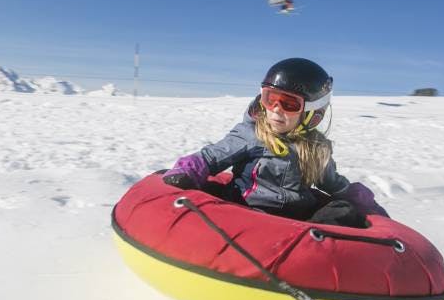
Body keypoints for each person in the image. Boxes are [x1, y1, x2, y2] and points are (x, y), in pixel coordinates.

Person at [161, 58, 388, 228]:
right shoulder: (252, 134)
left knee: (343, 211)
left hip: (297, 223)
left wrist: (361, 202)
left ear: (312, 114)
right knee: (211, 199)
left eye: (289, 104)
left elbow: (333, 184)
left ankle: (325, 258)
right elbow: (211, 157)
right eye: (270, 99)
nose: (277, 109)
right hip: (246, 212)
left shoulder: (317, 150)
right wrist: (187, 172)